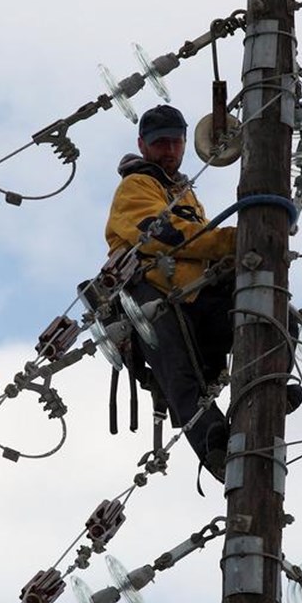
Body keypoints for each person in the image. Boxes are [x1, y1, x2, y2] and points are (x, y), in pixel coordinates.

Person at [104, 105, 237, 482]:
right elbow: (166, 234)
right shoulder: (137, 186)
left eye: (174, 142)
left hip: (195, 296)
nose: (168, 150)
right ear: (142, 146)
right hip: (153, 296)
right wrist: (230, 241)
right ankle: (217, 450)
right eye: (159, 143)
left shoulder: (183, 193)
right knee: (181, 375)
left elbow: (197, 244)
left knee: (263, 316)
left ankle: (272, 382)